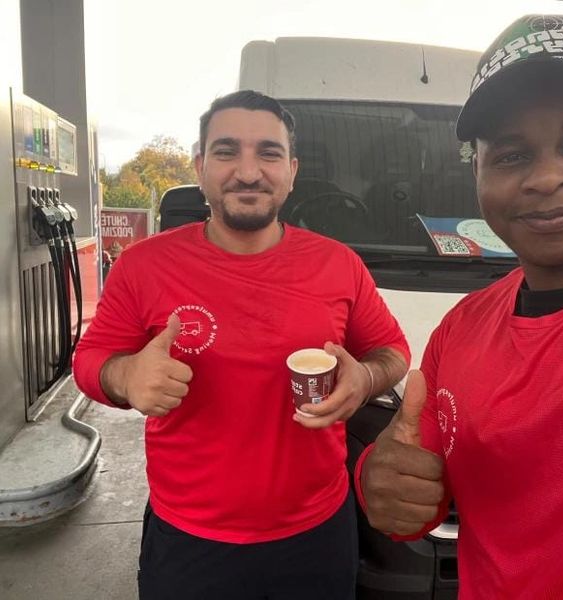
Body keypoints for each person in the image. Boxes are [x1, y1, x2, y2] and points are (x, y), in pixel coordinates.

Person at [73, 89, 410, 600]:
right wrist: (126, 376)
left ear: (291, 171)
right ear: (200, 167)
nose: (248, 172)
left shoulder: (338, 264)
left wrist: (364, 378)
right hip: (189, 540)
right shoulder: (143, 265)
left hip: (317, 535)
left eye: (268, 154)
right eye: (227, 151)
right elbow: (89, 360)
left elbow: (392, 350)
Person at [356, 13, 563, 599]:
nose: (547, 177)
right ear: (478, 173)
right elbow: (410, 487)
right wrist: (378, 477)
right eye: (512, 155)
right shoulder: (462, 328)